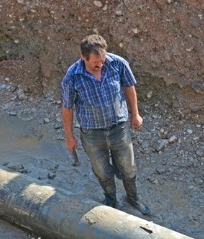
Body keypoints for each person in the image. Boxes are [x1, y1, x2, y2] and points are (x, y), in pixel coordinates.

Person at [61, 34, 151, 216]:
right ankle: (111, 200)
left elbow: (129, 87)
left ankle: (133, 198)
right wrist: (69, 136)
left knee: (128, 167)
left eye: (102, 60)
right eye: (95, 62)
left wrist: (136, 114)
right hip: (92, 134)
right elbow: (67, 107)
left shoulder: (118, 63)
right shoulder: (72, 77)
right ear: (83, 57)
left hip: (119, 128)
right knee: (102, 171)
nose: (100, 65)